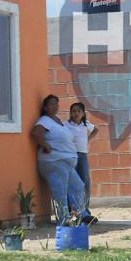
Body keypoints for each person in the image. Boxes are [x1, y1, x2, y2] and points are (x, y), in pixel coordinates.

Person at [31, 95, 90, 224]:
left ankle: (82, 215)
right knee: (61, 191)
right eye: (51, 104)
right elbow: (36, 133)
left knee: (78, 186)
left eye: (56, 104)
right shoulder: (45, 120)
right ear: (45, 108)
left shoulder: (58, 121)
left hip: (66, 163)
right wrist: (45, 145)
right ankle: (63, 220)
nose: (55, 106)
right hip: (54, 161)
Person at [67, 102, 98, 225]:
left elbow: (96, 130)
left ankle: (86, 211)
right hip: (71, 155)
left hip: (82, 156)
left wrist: (88, 139)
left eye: (78, 111)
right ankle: (74, 211)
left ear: (83, 113)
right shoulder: (66, 125)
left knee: (85, 182)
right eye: (73, 111)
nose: (76, 113)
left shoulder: (86, 125)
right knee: (74, 183)